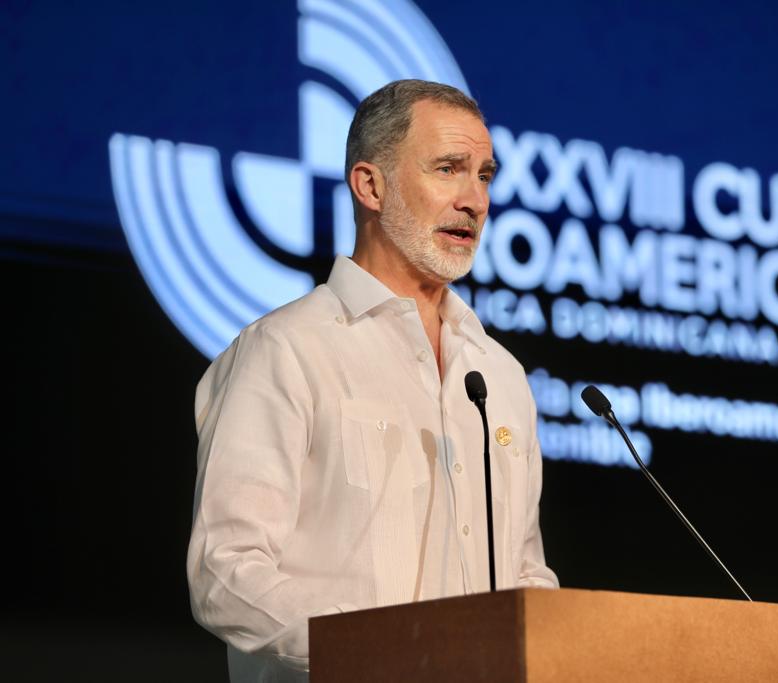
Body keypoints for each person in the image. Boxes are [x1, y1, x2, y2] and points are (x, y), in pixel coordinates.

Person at [186, 79, 558, 682]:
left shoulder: (500, 375)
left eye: (485, 176)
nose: (475, 200)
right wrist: (382, 649)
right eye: (448, 169)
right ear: (370, 186)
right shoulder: (287, 350)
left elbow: (524, 575)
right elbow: (226, 573)